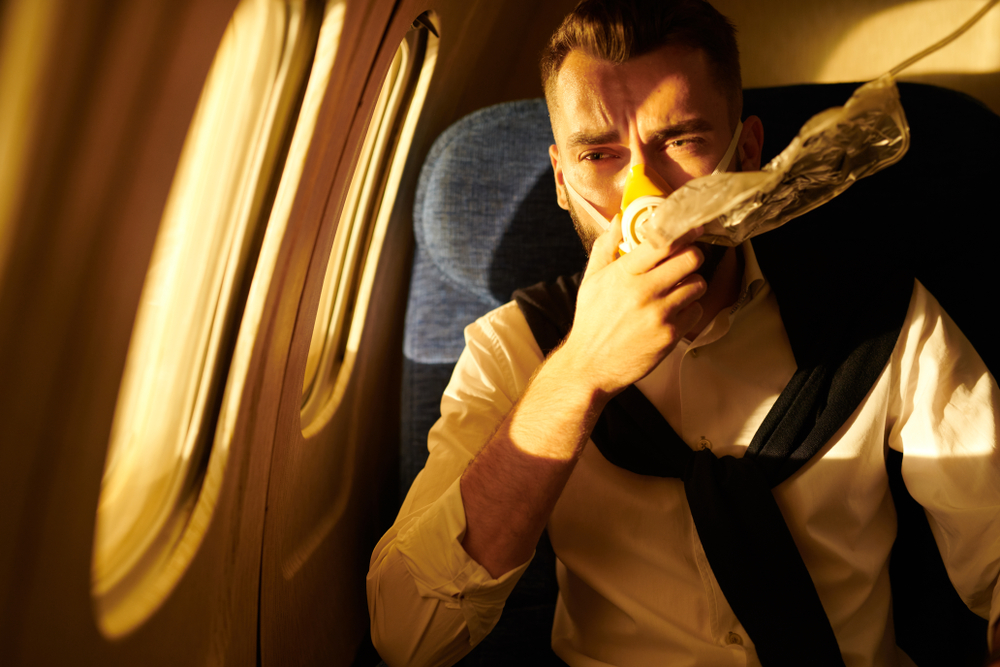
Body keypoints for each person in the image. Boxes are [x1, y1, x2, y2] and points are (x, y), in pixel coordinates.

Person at [367, 1, 1000, 665]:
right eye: (600, 153)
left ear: (747, 150)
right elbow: (408, 636)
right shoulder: (510, 351)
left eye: (681, 142)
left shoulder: (877, 315)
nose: (643, 194)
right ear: (560, 179)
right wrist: (578, 374)